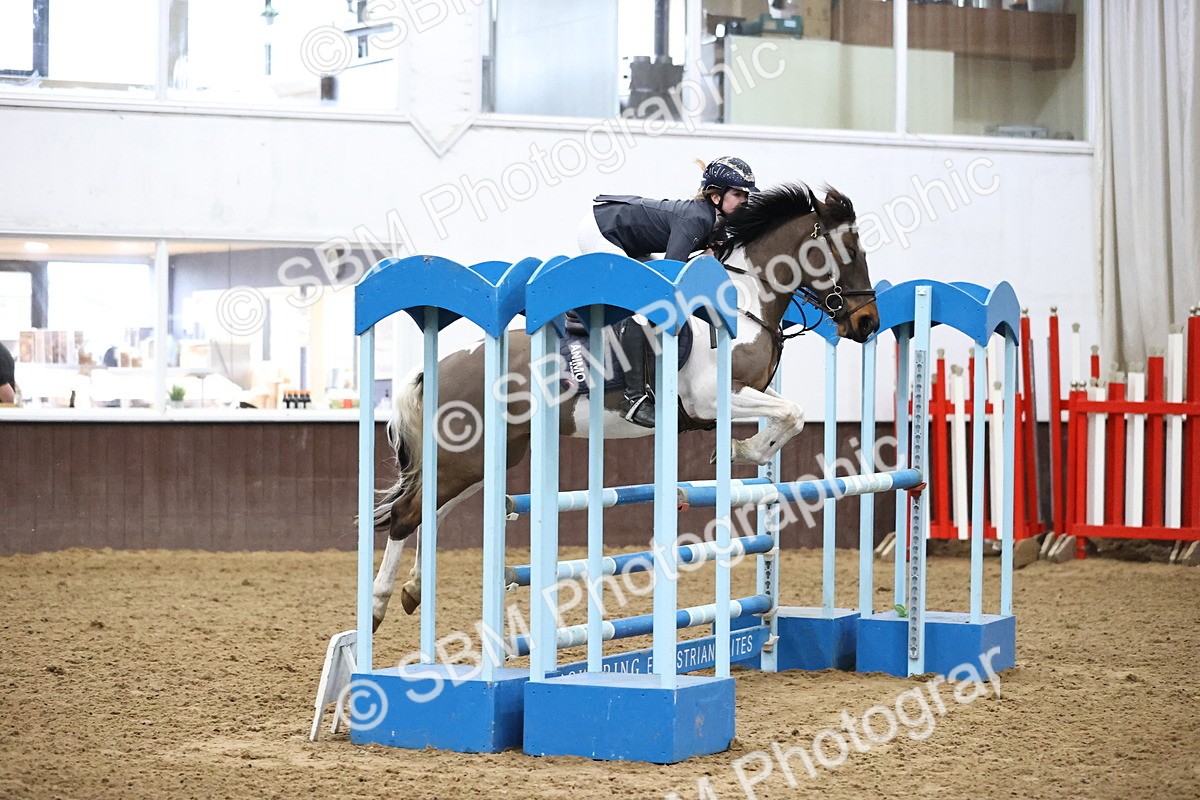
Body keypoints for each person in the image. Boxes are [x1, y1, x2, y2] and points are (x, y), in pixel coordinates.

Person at [576, 156, 758, 427]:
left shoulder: (714, 220)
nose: (744, 200)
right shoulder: (697, 218)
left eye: (746, 195)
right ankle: (633, 399)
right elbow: (671, 274)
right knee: (644, 305)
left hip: (628, 240)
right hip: (601, 231)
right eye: (738, 194)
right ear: (716, 197)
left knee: (649, 292)